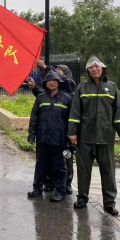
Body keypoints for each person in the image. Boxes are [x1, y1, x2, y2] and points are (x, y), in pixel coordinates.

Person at [68, 56, 120, 216]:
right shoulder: (82, 88)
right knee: (83, 170)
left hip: (106, 137)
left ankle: (109, 203)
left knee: (108, 171)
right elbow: (75, 111)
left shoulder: (112, 87)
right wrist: (72, 132)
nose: (94, 69)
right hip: (85, 137)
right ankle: (82, 198)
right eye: (91, 67)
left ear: (102, 68)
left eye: (97, 67)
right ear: (88, 70)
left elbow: (119, 111)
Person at [27, 63, 77, 195]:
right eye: (49, 80)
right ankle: (37, 189)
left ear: (59, 82)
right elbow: (34, 117)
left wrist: (72, 135)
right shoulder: (41, 98)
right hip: (43, 138)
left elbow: (72, 119)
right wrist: (31, 135)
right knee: (41, 165)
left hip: (60, 139)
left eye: (55, 80)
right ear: (45, 83)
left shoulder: (67, 98)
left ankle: (60, 191)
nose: (52, 82)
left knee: (60, 166)